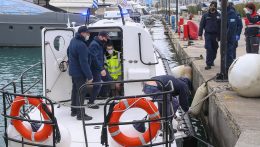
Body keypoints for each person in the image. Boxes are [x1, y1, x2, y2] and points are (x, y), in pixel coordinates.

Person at [67, 26, 93, 120]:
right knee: (81, 92)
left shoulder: (73, 40)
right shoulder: (81, 45)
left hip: (73, 71)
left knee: (75, 91)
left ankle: (73, 110)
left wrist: (72, 62)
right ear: (82, 33)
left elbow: (68, 51)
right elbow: (84, 63)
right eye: (87, 33)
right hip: (79, 73)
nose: (88, 35)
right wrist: (89, 76)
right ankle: (80, 114)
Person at [88, 31, 110, 109]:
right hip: (95, 68)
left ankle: (103, 95)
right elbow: (94, 58)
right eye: (105, 38)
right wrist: (101, 69)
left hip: (100, 67)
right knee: (97, 85)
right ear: (100, 37)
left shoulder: (99, 44)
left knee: (108, 79)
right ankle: (91, 102)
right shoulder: (94, 44)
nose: (106, 40)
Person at [198, 1, 221, 70]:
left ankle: (212, 60)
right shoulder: (205, 15)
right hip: (208, 34)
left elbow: (221, 27)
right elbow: (201, 25)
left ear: (216, 7)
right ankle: (208, 64)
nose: (212, 7)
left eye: (214, 6)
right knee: (209, 48)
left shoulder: (219, 15)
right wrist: (200, 34)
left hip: (216, 35)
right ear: (210, 6)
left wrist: (219, 37)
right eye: (211, 6)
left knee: (215, 49)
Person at [226, 3, 240, 71]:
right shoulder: (224, 13)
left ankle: (231, 64)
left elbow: (240, 25)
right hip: (227, 36)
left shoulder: (236, 14)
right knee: (227, 51)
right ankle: (228, 65)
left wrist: (238, 34)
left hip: (233, 35)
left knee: (232, 50)